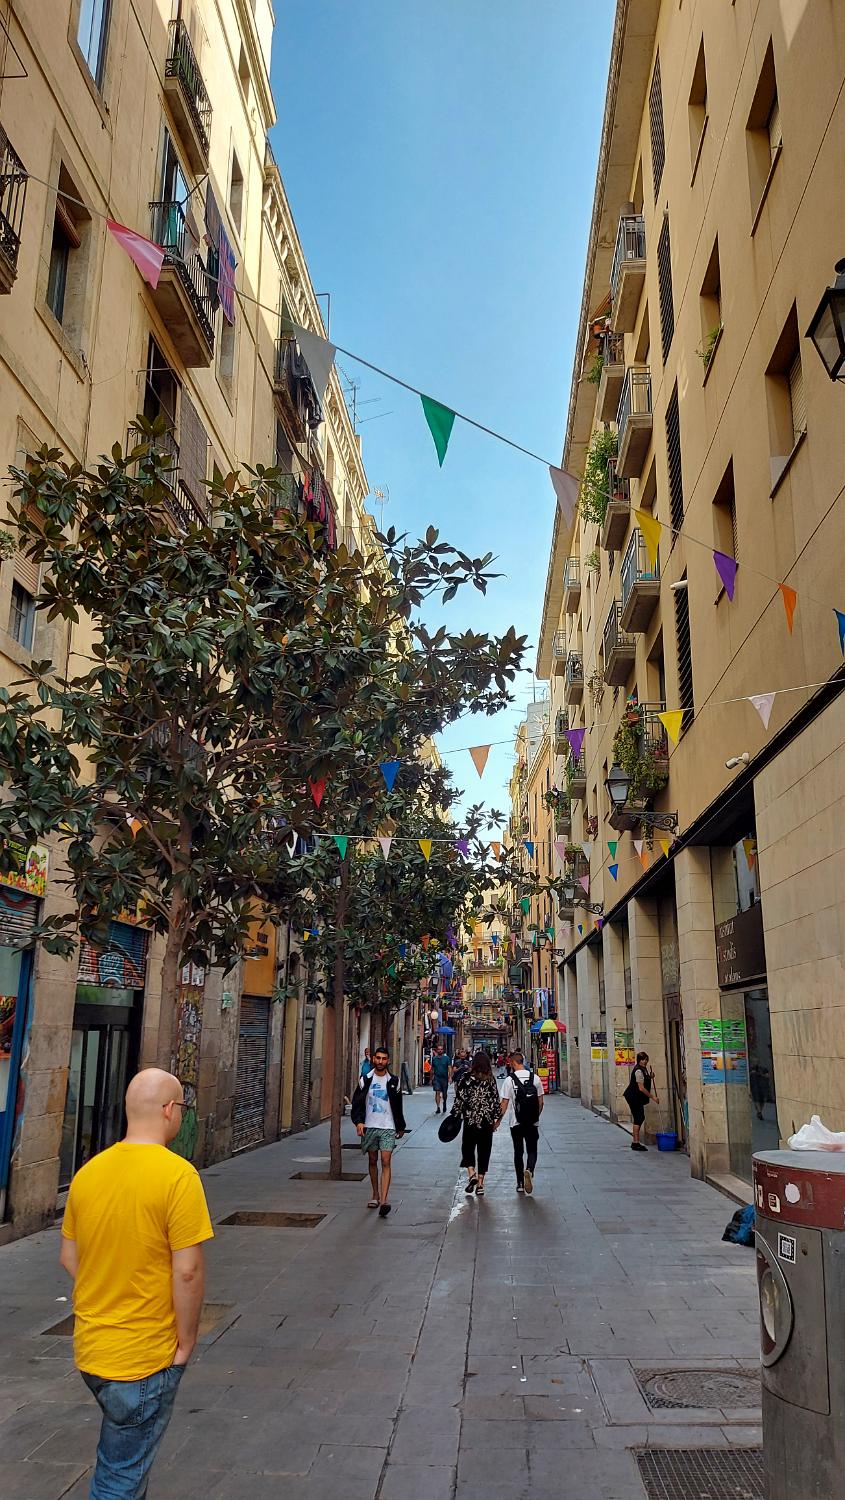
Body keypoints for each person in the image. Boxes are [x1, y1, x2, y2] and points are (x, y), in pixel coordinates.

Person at [60, 1069, 214, 1498]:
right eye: (182, 1106)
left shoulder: (88, 1173)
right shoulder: (178, 1176)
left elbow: (69, 1256)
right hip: (144, 1356)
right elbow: (187, 1271)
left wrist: (110, 1284)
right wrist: (186, 1341)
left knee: (125, 1463)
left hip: (92, 1348)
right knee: (120, 1480)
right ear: (168, 1110)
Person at [351, 1045, 406, 1218]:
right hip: (369, 1125)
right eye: (378, 1058)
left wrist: (400, 1126)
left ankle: (384, 1200)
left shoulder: (394, 1081)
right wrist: (359, 1122)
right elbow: (357, 1103)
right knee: (373, 1160)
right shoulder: (365, 1079)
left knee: (386, 1160)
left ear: (388, 1061)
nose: (381, 1061)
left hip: (388, 1126)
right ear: (374, 1059)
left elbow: (398, 1105)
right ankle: (375, 1194)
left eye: (384, 1059)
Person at [455, 1050, 502, 1197]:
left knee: (467, 1147)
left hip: (470, 1119)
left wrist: (455, 1114)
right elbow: (495, 1100)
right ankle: (480, 1184)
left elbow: (459, 1098)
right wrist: (497, 1119)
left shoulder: (466, 1077)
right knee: (484, 1150)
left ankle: (471, 1173)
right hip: (486, 1121)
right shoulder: (490, 1079)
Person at [499, 1048, 544, 1194]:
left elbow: (504, 1103)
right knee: (532, 1149)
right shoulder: (535, 1078)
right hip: (532, 1121)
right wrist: (535, 1116)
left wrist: (497, 1121)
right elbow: (541, 1102)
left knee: (518, 1151)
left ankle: (519, 1183)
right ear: (522, 1062)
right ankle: (529, 1170)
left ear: (513, 1063)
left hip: (516, 1122)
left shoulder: (509, 1080)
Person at [624, 1051, 658, 1151]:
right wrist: (653, 1097)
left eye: (646, 1059)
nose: (645, 1061)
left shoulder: (644, 1069)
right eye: (643, 1060)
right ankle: (635, 1142)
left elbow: (645, 1078)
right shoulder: (638, 1071)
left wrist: (650, 1077)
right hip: (633, 1097)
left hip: (637, 1097)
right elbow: (641, 1088)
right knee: (638, 1117)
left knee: (640, 1117)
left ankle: (635, 1142)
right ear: (639, 1060)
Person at [430, 1042, 451, 1113]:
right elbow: (432, 1069)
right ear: (436, 1050)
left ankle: (444, 1102)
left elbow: (449, 1067)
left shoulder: (446, 1058)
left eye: (441, 1049)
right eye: (439, 1049)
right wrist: (431, 1079)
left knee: (444, 1093)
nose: (440, 1050)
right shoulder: (434, 1059)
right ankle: (438, 1107)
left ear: (443, 1050)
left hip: (444, 1078)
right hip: (437, 1078)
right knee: (437, 1092)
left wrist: (450, 1077)